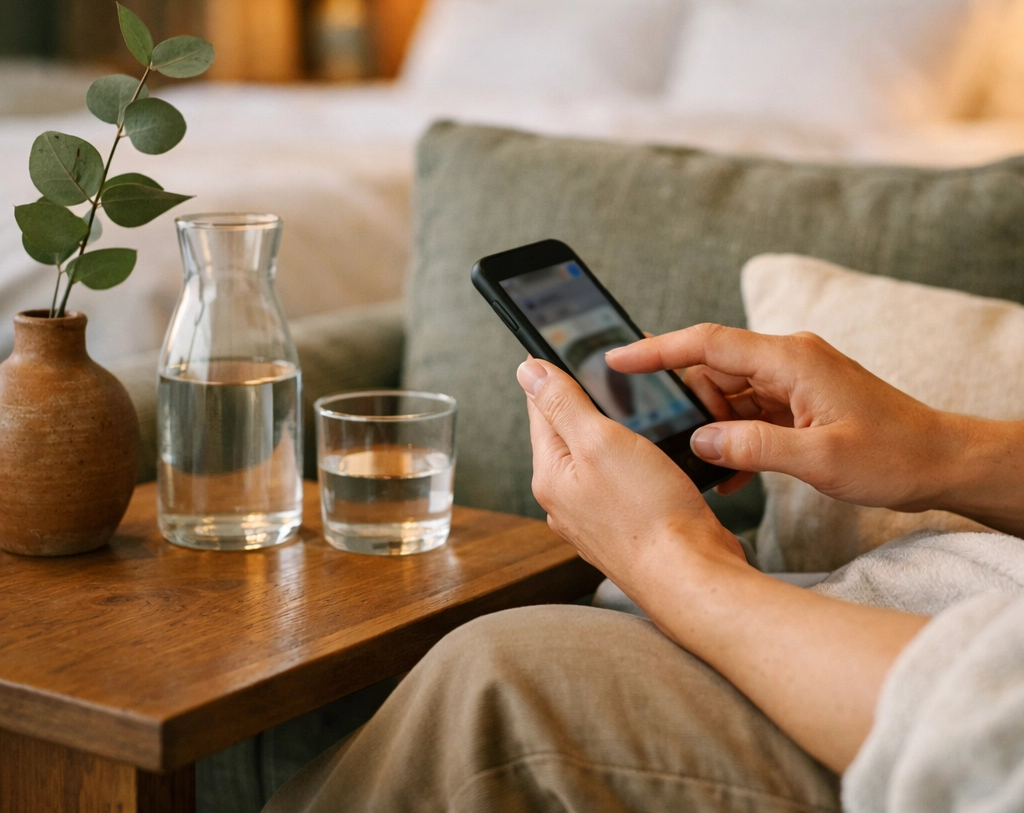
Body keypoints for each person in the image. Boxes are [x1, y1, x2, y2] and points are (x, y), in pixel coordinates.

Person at [265, 325, 1024, 813]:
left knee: (505, 675)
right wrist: (943, 451)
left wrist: (671, 560)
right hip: (909, 626)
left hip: (925, 729)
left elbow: (993, 734)